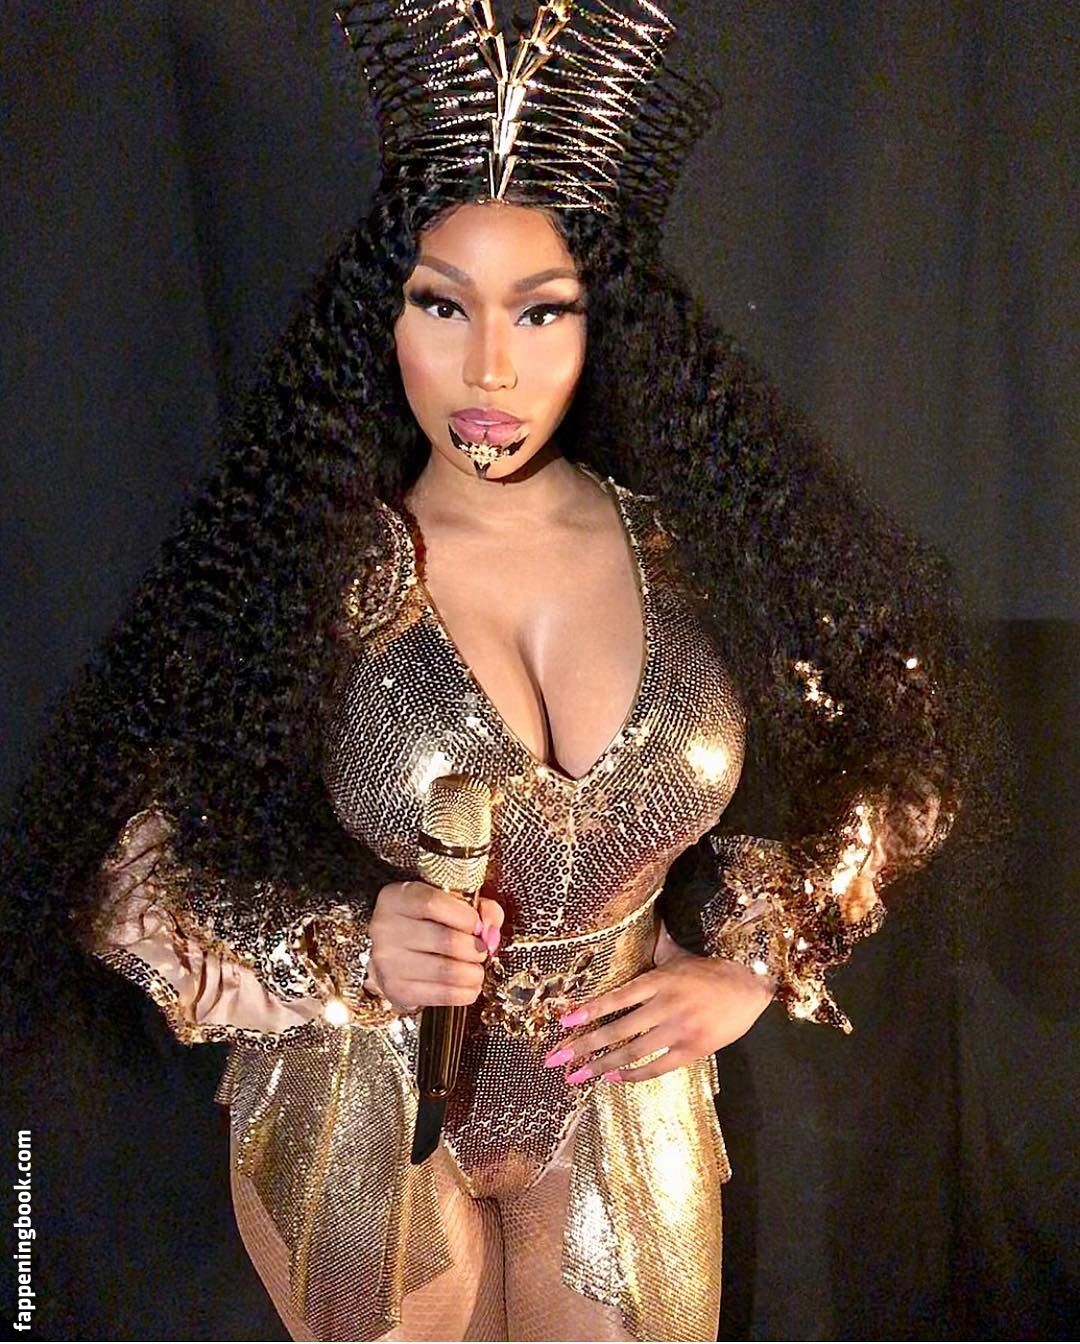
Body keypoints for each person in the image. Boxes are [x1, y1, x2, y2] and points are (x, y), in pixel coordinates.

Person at [0, 2, 987, 1340]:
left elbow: (894, 751)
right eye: (442, 305)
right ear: (384, 317)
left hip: (618, 1102)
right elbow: (117, 875)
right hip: (359, 1104)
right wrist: (343, 944)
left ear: (599, 326)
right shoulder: (304, 579)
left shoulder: (704, 561)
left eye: (541, 310)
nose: (489, 368)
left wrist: (753, 962)